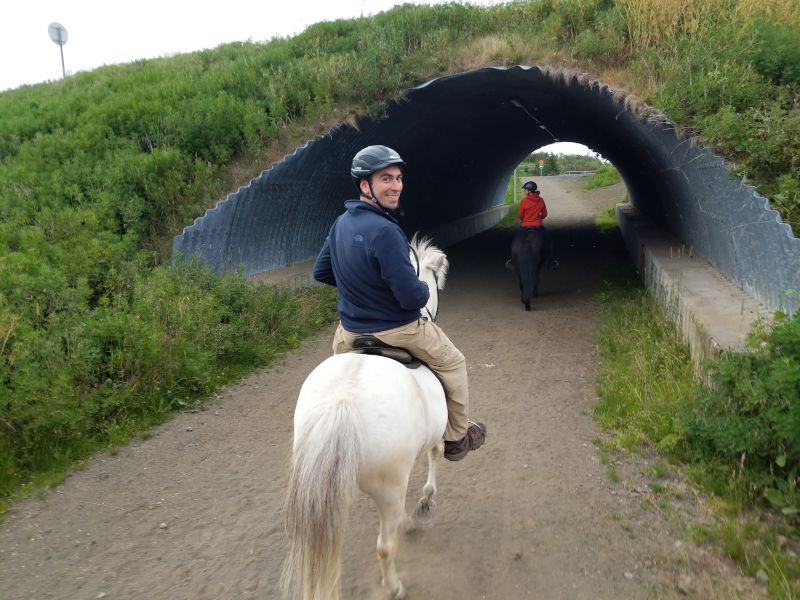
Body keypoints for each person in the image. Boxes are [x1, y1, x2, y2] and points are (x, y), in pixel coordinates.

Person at [313, 145, 486, 461]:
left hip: (350, 332)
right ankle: (456, 437)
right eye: (385, 179)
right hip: (399, 330)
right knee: (454, 362)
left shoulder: (340, 224)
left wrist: (362, 286)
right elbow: (411, 297)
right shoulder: (386, 231)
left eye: (398, 178)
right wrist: (421, 287)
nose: (396, 186)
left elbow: (322, 272)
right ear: (365, 185)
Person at [505, 180, 558, 270]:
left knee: (514, 241)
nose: (524, 191)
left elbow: (520, 215)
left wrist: (525, 220)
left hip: (525, 226)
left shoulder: (524, 201)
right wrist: (538, 218)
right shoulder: (541, 200)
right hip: (538, 226)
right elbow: (544, 214)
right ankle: (551, 263)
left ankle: (512, 262)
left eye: (525, 190)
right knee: (550, 242)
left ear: (529, 191)